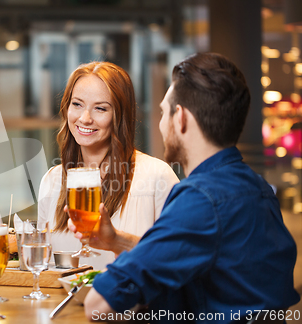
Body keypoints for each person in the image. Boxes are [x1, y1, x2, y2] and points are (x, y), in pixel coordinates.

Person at [82, 53, 300, 321]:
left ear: (180, 118)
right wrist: (116, 240)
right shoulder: (258, 189)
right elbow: (193, 255)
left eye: (163, 112)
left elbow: (97, 305)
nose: (161, 124)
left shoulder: (200, 200)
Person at [38, 61, 179, 270]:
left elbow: (178, 259)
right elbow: (43, 264)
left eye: (100, 108)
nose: (85, 118)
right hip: (65, 301)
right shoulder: (52, 180)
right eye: (77, 104)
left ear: (119, 116)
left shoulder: (157, 177)